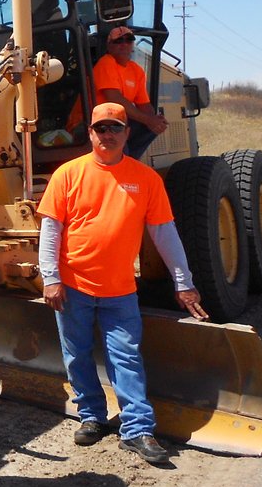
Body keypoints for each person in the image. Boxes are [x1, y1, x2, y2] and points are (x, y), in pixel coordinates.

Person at [37, 103, 207, 465]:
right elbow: (50, 230)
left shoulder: (146, 179)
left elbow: (165, 234)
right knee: (77, 355)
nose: (108, 134)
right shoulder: (67, 175)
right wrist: (51, 277)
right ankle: (92, 416)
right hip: (73, 286)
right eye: (101, 128)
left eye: (115, 127)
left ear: (127, 133)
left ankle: (137, 429)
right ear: (91, 133)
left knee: (126, 357)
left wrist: (184, 282)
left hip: (120, 291)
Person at [91, 25, 169, 159]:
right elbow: (114, 99)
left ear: (133, 44)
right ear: (109, 46)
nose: (124, 44)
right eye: (118, 41)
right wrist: (148, 120)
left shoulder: (136, 70)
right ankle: (121, 162)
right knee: (120, 135)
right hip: (96, 122)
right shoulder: (105, 63)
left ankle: (130, 163)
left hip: (117, 121)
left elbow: (144, 104)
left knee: (149, 127)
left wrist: (154, 121)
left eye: (129, 40)